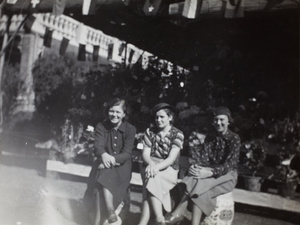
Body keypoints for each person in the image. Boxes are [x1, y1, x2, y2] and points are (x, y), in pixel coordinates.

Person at [165, 106, 241, 225]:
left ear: (228, 121)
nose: (218, 123)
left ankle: (178, 212)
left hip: (228, 175)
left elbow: (230, 164)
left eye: (222, 120)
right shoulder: (211, 137)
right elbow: (204, 158)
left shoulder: (234, 138)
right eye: (216, 120)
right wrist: (197, 167)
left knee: (199, 184)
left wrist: (210, 172)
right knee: (197, 183)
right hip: (210, 172)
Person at [84, 98, 136, 225]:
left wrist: (112, 159)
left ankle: (110, 213)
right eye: (111, 111)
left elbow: (127, 153)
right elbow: (98, 146)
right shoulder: (101, 126)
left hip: (122, 166)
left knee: (105, 169)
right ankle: (110, 212)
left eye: (118, 112)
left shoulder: (130, 129)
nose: (114, 115)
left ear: (124, 114)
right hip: (103, 162)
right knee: (104, 170)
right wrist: (104, 155)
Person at [138, 103, 184, 225]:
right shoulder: (149, 132)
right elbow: (145, 154)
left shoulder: (177, 134)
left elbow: (171, 159)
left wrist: (155, 167)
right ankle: (158, 219)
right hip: (150, 165)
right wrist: (152, 164)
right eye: (156, 117)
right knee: (152, 176)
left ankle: (154, 219)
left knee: (152, 178)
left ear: (170, 117)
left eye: (162, 117)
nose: (158, 120)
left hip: (169, 169)